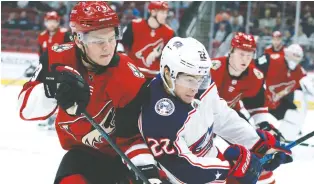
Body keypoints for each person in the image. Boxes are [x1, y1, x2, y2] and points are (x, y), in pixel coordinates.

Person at [18, 2, 166, 184]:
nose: (108, 47)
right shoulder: (56, 59)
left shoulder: (128, 76)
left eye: (112, 38)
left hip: (121, 159)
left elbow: (131, 136)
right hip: (81, 155)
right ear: (78, 39)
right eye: (98, 41)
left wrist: (149, 174)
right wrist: (51, 90)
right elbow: (24, 110)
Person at [137, 36, 293, 184]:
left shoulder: (199, 85)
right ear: (167, 73)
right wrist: (231, 168)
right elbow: (183, 170)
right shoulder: (158, 116)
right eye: (189, 79)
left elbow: (221, 116)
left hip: (210, 161)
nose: (195, 88)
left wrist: (257, 144)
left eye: (200, 78)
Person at [211, 32, 286, 184]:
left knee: (256, 151)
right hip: (202, 116)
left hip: (230, 115)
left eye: (249, 54)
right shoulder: (213, 68)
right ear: (231, 51)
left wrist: (267, 128)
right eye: (241, 54)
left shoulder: (255, 76)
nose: (245, 59)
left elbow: (257, 108)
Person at [255, 44, 314, 141]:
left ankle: (283, 140)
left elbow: (310, 88)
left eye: (297, 57)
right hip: (260, 101)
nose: (294, 59)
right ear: (286, 54)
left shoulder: (300, 72)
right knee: (255, 122)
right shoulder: (272, 59)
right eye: (293, 55)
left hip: (276, 103)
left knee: (294, 115)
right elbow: (253, 67)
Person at [36, 11, 72, 130]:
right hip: (47, 72)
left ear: (58, 22)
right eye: (49, 21)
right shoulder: (42, 36)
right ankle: (48, 117)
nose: (51, 24)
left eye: (54, 21)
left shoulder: (65, 34)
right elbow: (41, 54)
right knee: (48, 96)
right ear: (45, 22)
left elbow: (71, 50)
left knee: (60, 96)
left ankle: (59, 120)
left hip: (62, 71)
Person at [119, 1, 175, 79]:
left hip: (155, 77)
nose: (165, 16)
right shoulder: (135, 25)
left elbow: (170, 57)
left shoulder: (169, 33)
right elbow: (122, 44)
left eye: (166, 13)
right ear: (153, 12)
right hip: (133, 73)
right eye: (162, 12)